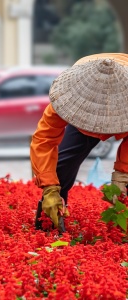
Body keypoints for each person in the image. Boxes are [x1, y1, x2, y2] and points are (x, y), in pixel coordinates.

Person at [30, 53, 128, 232]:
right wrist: (49, 187)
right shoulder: (68, 98)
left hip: (122, 111)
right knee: (61, 166)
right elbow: (44, 140)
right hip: (82, 121)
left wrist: (123, 176)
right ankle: (50, 220)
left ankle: (122, 228)